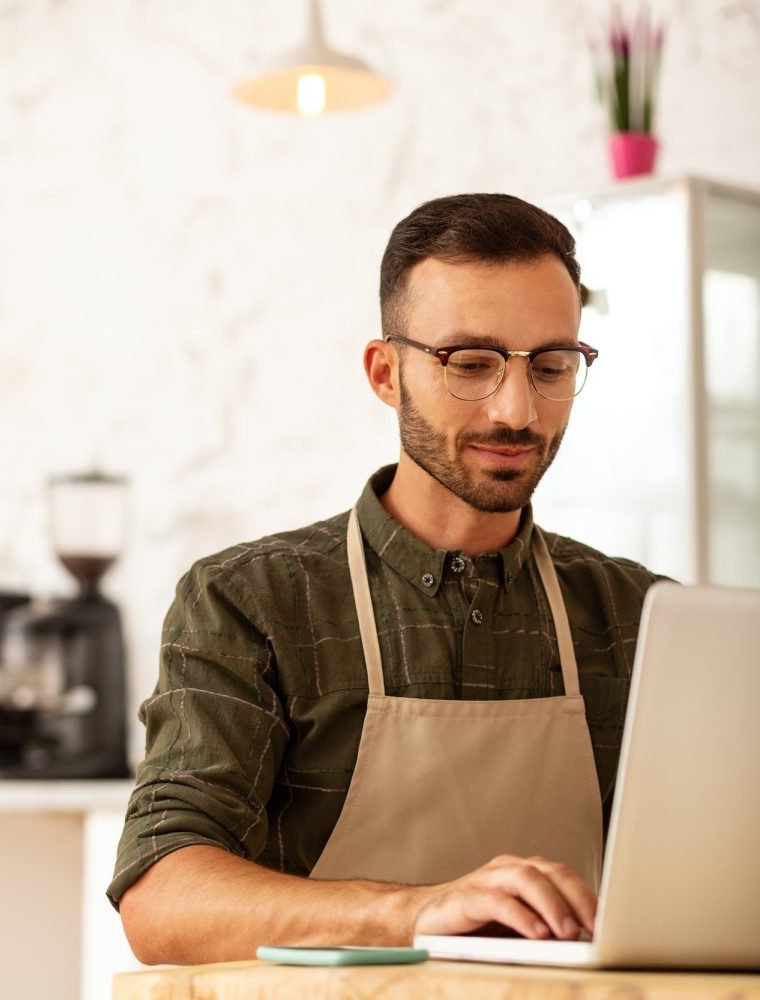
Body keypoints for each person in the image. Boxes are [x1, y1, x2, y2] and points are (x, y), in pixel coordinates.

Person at [109, 193, 664, 965]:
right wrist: (420, 911)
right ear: (385, 373)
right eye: (470, 364)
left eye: (551, 366)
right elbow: (163, 901)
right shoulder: (250, 601)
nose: (517, 410)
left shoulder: (641, 616)